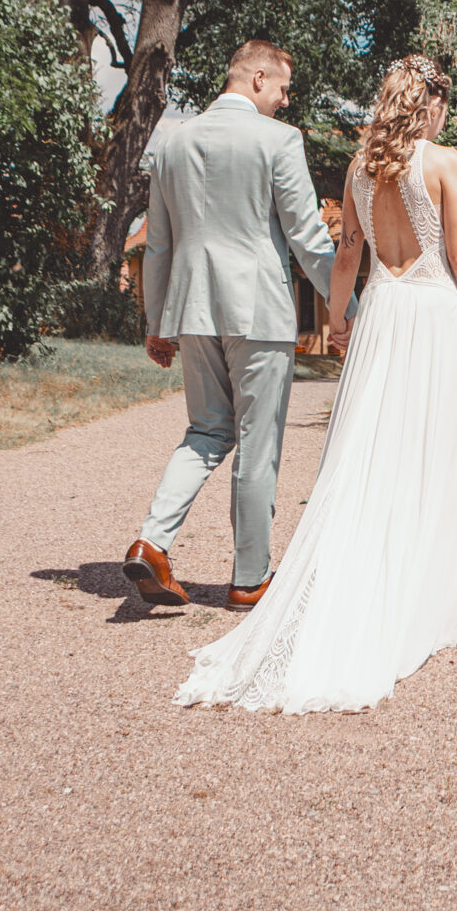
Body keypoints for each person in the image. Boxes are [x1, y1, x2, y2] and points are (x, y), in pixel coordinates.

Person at [174, 54, 457, 713]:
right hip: (432, 317)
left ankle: (375, 575)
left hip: (383, 316)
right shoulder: (447, 163)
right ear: (433, 104)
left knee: (370, 450)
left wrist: (338, 323)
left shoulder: (360, 168)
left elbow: (347, 255)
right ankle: (443, 596)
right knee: (437, 452)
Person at [120, 40, 340, 610]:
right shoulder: (278, 141)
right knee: (255, 442)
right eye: (284, 89)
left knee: (206, 432)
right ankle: (249, 579)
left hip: (193, 312)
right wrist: (350, 309)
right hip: (259, 311)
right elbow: (310, 241)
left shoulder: (172, 144)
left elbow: (158, 244)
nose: (286, 103)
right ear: (259, 77)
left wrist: (156, 321)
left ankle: (153, 540)